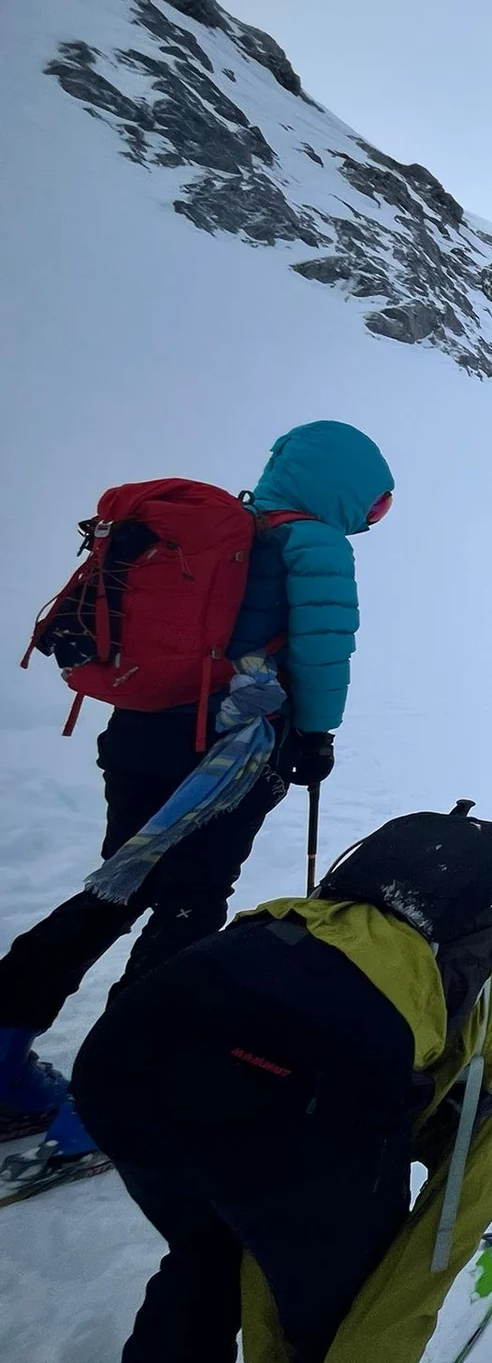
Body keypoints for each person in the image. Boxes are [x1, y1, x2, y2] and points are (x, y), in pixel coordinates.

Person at [67, 804, 492, 1363]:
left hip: (131, 1043)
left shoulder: (396, 930)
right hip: (296, 1073)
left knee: (211, 1256)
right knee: (338, 1316)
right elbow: (434, 1249)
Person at [0, 420, 394, 1165]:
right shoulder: (313, 544)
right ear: (344, 486)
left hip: (140, 731)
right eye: (373, 504)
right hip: (229, 753)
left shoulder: (225, 527)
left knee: (117, 885)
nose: (370, 520)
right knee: (191, 901)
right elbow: (322, 647)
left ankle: (5, 1056)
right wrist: (316, 735)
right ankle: (112, 1098)